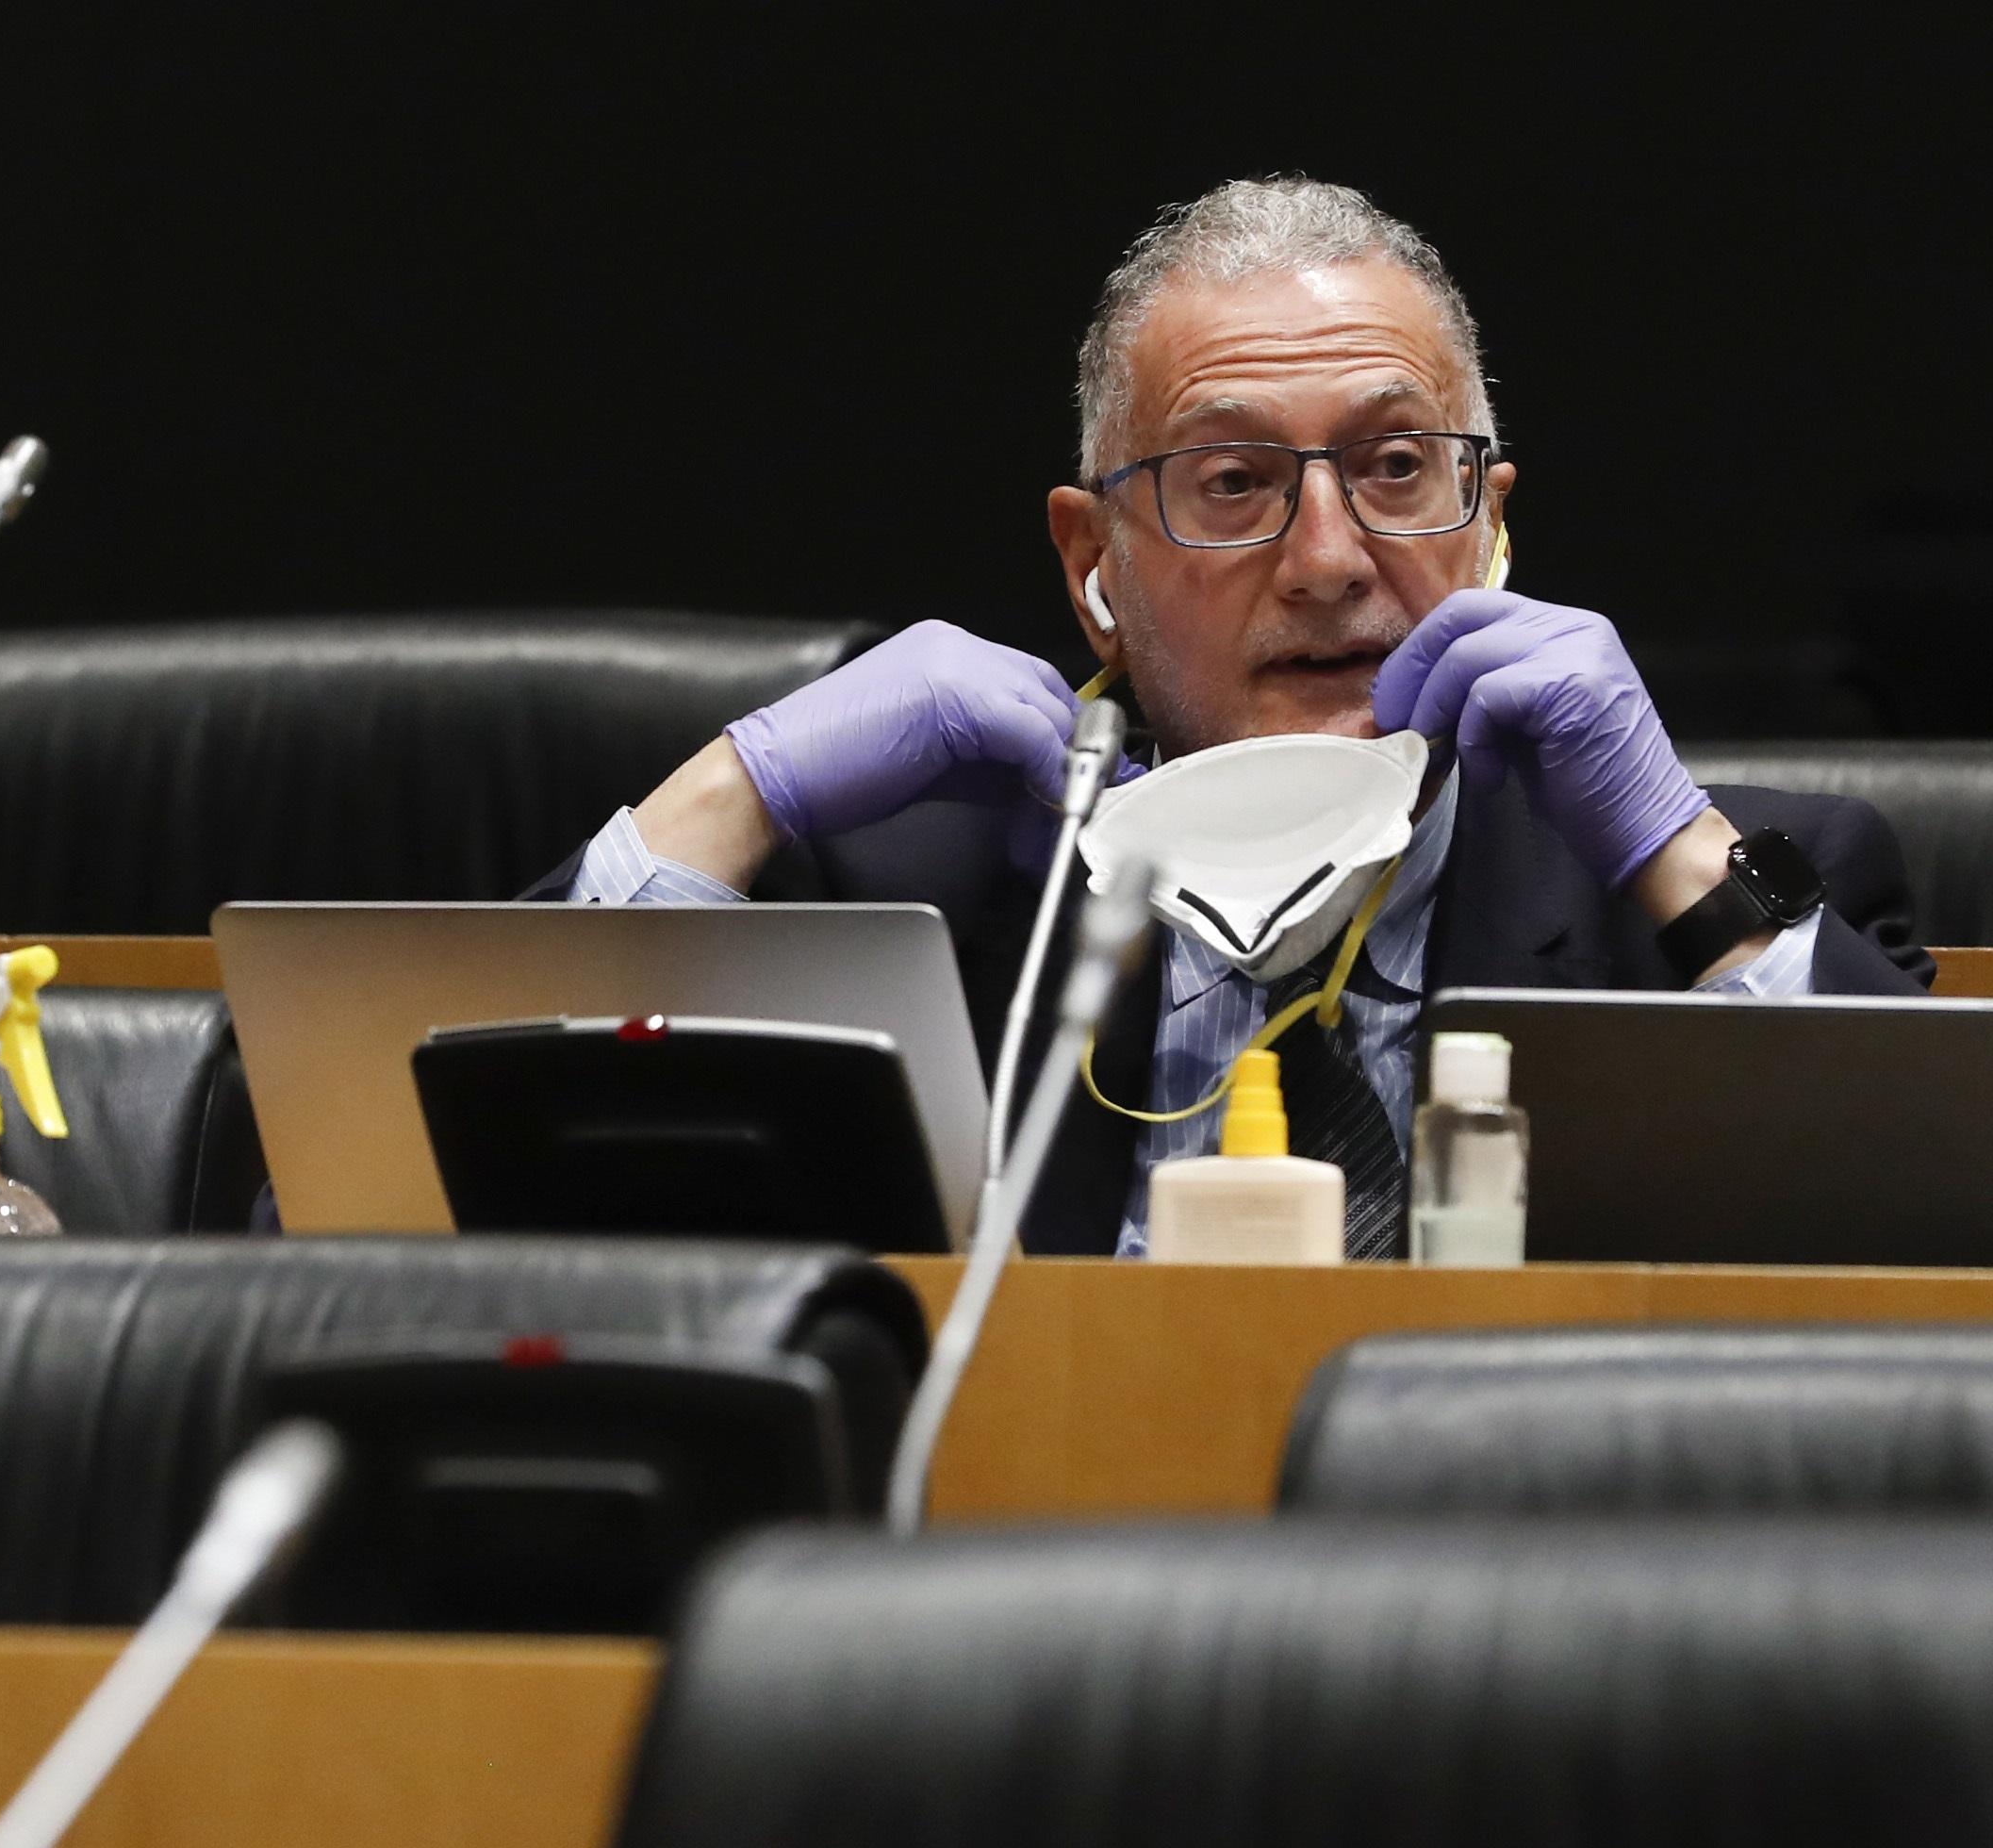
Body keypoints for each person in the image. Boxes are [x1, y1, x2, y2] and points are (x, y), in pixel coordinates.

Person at [537, 175, 1930, 1257]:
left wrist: (1689, 861)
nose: (1330, 560)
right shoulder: (906, 924)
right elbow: (417, 1202)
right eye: (1231, 483)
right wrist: (736, 789)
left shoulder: (1691, 920)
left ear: (1489, 527)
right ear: (1094, 563)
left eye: (1395, 467)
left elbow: (1932, 1257)